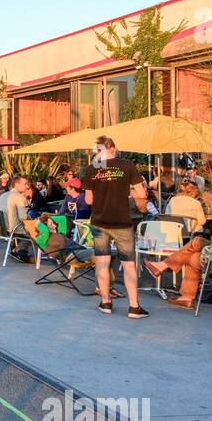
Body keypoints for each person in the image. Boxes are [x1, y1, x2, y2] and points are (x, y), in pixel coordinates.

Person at [82, 134, 149, 318]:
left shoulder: (91, 170)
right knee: (128, 265)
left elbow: (88, 200)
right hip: (121, 222)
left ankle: (105, 302)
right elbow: (142, 194)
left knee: (102, 262)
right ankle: (134, 307)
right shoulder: (127, 165)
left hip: (99, 221)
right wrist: (127, 190)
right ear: (112, 147)